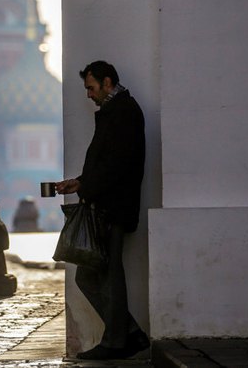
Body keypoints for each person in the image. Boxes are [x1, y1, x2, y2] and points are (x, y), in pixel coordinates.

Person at [55, 60, 150, 360]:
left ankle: (116, 340)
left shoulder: (123, 112)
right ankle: (129, 335)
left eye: (91, 87)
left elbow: (117, 166)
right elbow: (105, 164)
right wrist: (79, 183)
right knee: (92, 275)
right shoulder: (115, 112)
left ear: (107, 82)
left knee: (107, 274)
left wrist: (86, 187)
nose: (88, 94)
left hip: (112, 208)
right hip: (105, 204)